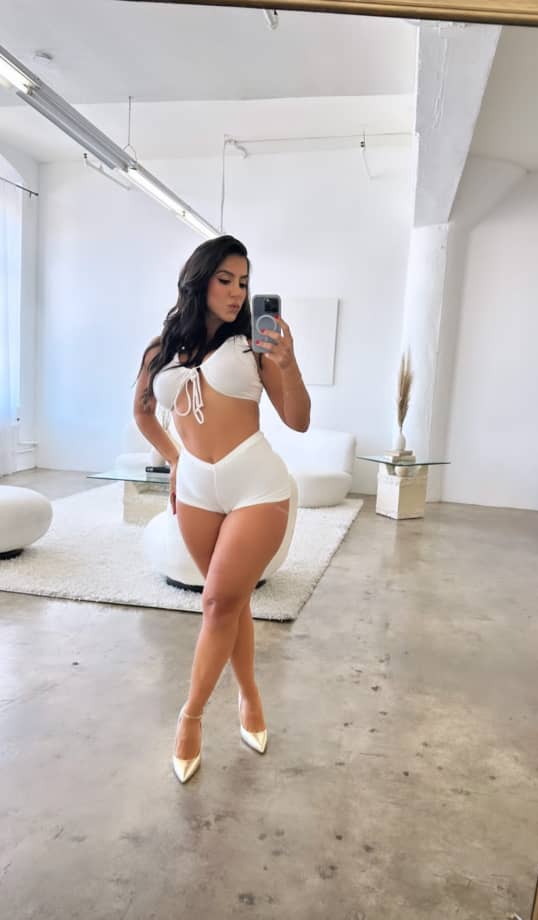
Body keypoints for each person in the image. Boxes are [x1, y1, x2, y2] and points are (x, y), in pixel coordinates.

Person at [134, 235, 310, 784]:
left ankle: (190, 718)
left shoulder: (255, 346)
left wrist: (288, 363)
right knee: (231, 603)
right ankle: (250, 695)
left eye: (244, 282)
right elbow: (143, 413)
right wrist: (176, 461)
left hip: (255, 485)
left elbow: (299, 420)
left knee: (215, 603)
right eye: (226, 280)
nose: (237, 292)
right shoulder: (162, 348)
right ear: (200, 280)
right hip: (196, 491)